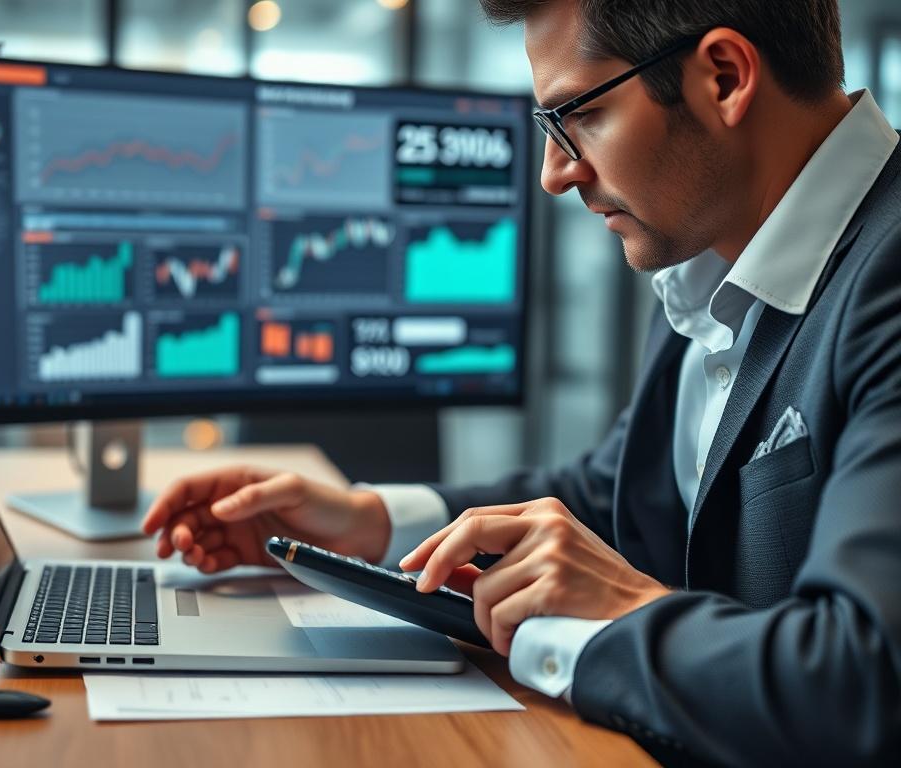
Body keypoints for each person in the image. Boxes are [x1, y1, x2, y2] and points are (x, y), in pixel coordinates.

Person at [142, 0, 901, 763]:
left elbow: (862, 680)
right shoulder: (708, 257)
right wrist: (369, 523)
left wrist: (617, 615)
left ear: (725, 77)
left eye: (578, 116)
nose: (554, 173)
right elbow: (621, 495)